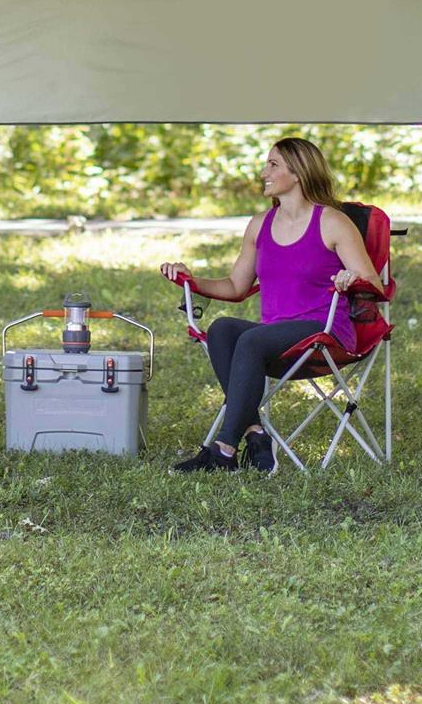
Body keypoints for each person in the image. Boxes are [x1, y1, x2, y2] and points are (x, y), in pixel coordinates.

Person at [160, 137, 383, 475]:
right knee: (222, 329)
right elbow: (236, 287)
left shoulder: (332, 223)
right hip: (274, 339)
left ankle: (223, 450)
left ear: (298, 172)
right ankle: (257, 435)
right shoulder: (259, 225)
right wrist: (191, 280)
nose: (264, 172)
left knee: (251, 339)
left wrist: (350, 278)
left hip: (325, 333)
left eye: (273, 164)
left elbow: (373, 284)